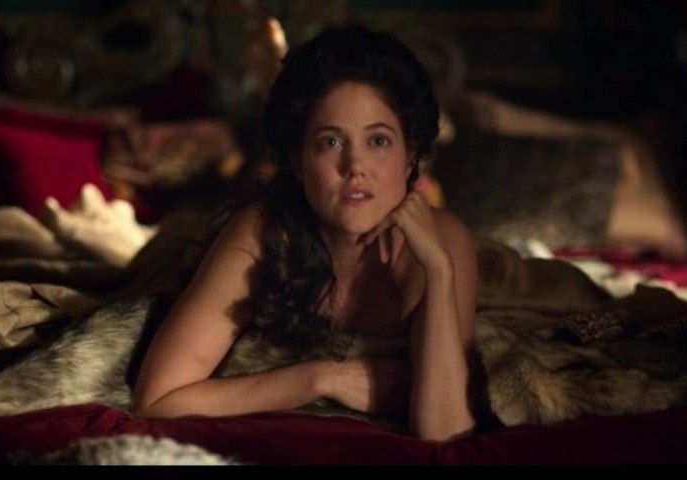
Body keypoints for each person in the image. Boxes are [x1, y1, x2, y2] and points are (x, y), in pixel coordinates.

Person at [132, 25, 479, 442]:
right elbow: (158, 399)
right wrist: (322, 378)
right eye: (331, 142)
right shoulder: (263, 231)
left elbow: (445, 434)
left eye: (378, 140)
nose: (355, 166)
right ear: (297, 161)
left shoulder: (445, 244)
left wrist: (439, 271)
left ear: (411, 156)